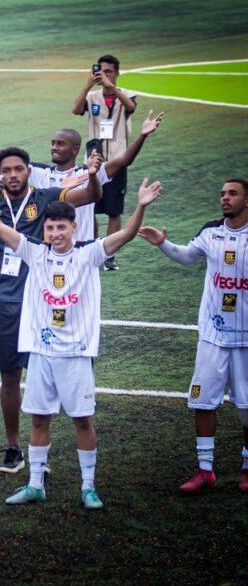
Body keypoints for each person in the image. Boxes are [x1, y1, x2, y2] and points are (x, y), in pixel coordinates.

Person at [0, 164, 161, 509]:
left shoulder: (88, 253)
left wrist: (140, 206)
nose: (55, 233)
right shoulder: (34, 252)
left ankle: (88, 487)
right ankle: (35, 484)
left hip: (76, 354)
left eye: (61, 227)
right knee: (39, 418)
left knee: (82, 420)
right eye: (50, 227)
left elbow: (126, 234)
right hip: (41, 352)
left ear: (73, 227)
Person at [0, 146, 104, 474]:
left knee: (45, 380)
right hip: (4, 301)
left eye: (18, 169)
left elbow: (91, 196)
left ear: (28, 171)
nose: (12, 175)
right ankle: (13, 447)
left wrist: (92, 175)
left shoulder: (46, 197)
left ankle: (41, 455)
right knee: (9, 378)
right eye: (6, 170)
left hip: (43, 303)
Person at [138, 179, 248, 494]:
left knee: (246, 408)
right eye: (222, 194)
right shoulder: (211, 231)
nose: (225, 198)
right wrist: (162, 243)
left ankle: (246, 467)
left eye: (232, 193)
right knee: (203, 401)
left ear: (247, 200)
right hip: (213, 334)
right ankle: (205, 470)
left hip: (246, 338)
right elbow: (187, 256)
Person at [0, 100, 163, 245]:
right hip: (50, 247)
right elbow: (0, 156)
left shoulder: (89, 171)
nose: (54, 148)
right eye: (53, 143)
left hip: (82, 247)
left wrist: (142, 135)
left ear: (75, 149)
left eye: (60, 144)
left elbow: (124, 161)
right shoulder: (40, 173)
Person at [72, 54, 138, 269]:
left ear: (117, 73)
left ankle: (109, 255)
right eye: (101, 71)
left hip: (117, 161)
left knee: (114, 210)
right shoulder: (92, 97)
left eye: (109, 71)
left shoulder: (127, 95)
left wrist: (112, 88)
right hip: (93, 162)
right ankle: (91, 248)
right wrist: (87, 85)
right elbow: (75, 110)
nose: (105, 75)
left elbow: (131, 107)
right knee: (88, 208)